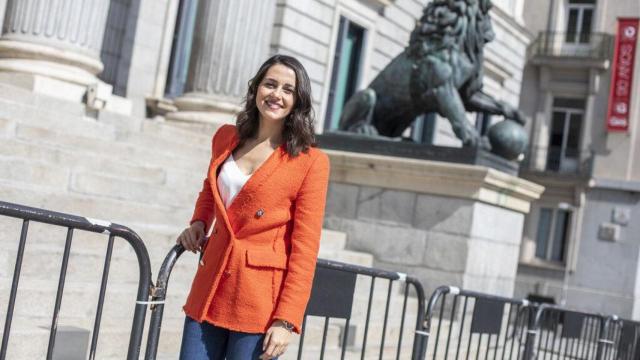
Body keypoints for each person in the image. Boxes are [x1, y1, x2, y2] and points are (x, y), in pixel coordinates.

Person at [176, 54, 330, 360]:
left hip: (259, 300)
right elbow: (211, 189)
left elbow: (304, 249)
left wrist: (286, 320)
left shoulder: (310, 162)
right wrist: (199, 223)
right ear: (256, 88)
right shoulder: (226, 137)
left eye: (288, 89)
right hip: (210, 285)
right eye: (270, 84)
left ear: (297, 101)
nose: (277, 94)